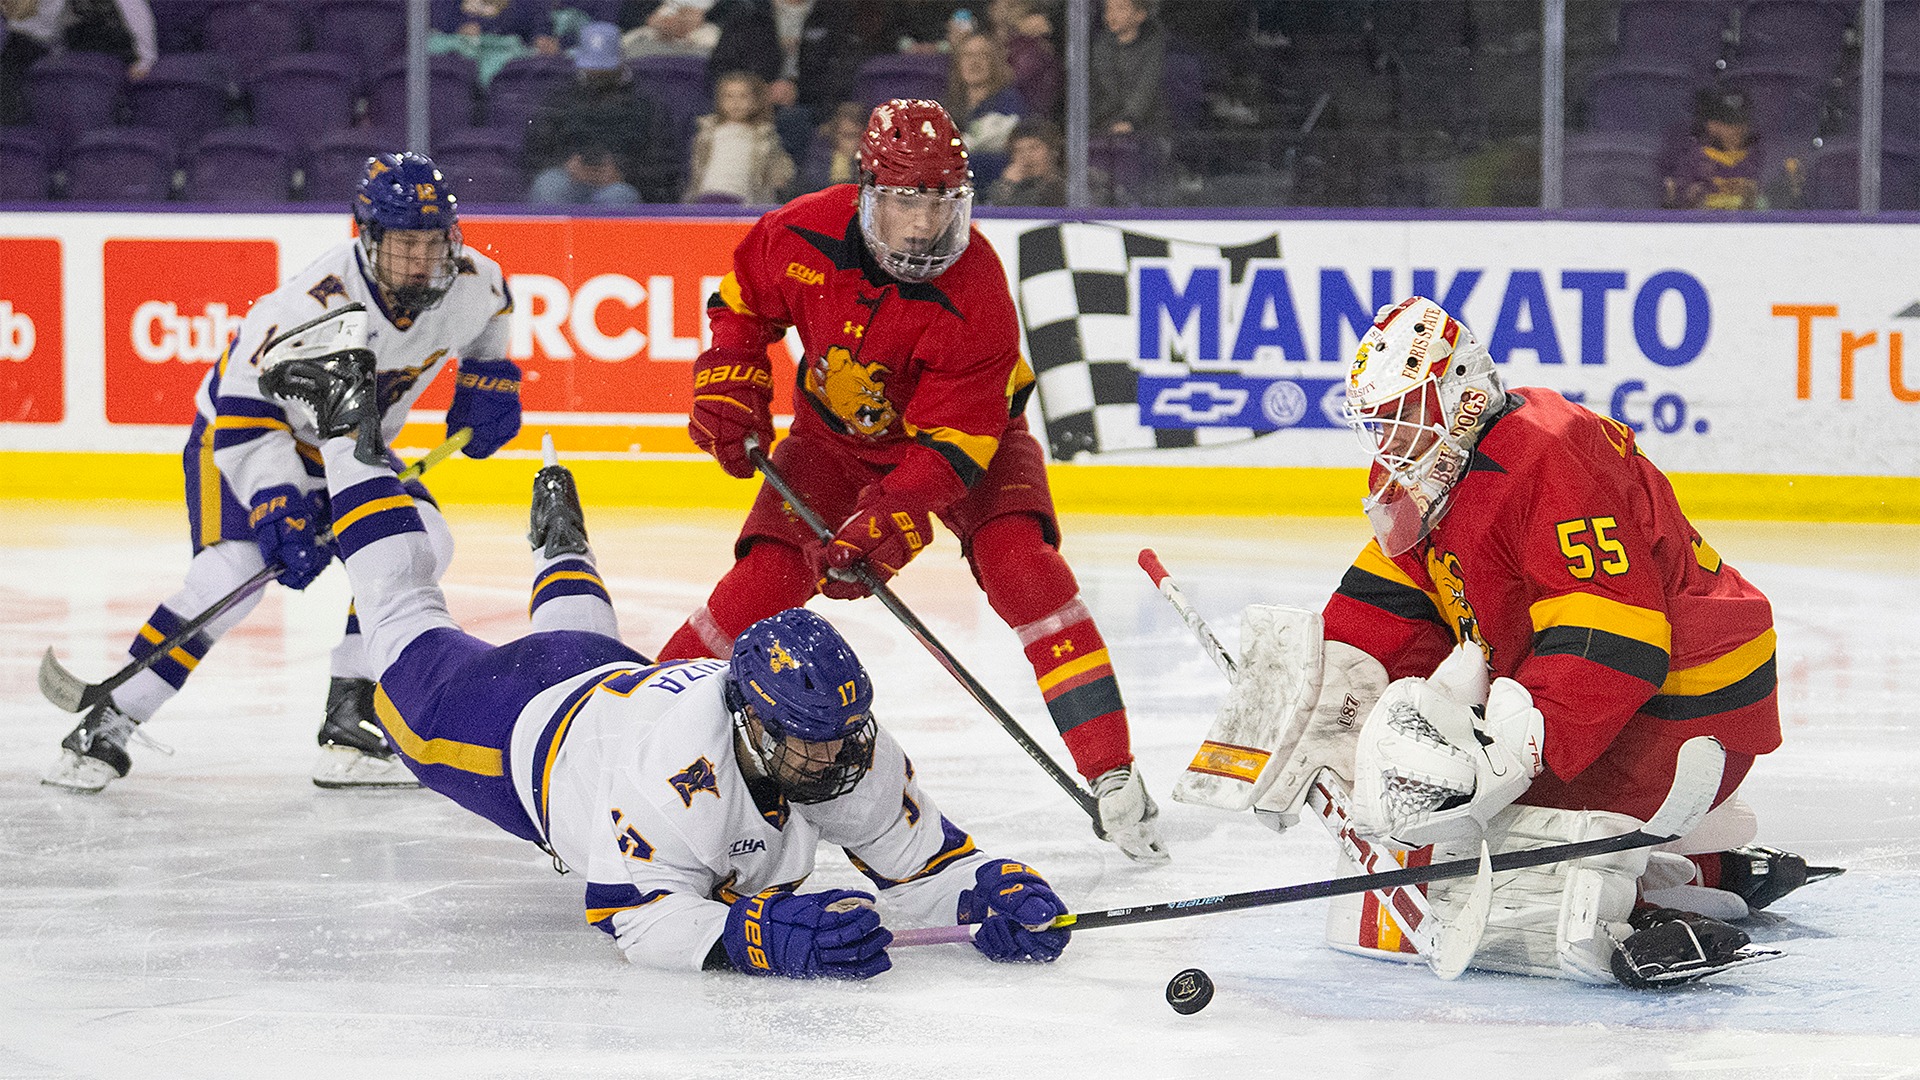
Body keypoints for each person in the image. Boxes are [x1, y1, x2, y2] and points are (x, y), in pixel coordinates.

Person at [244, 339, 1072, 975]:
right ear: (750, 724)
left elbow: (923, 860)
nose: (831, 757)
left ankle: (560, 549)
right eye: (809, 739)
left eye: (841, 735)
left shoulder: (839, 741)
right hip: (506, 724)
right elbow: (629, 913)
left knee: (560, 646)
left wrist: (984, 886)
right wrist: (752, 940)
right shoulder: (679, 765)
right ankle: (348, 431)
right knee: (401, 615)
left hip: (600, 672)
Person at [1244, 296, 1835, 988]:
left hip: (1689, 701)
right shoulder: (1432, 472)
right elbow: (1392, 603)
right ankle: (1708, 869)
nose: (1389, 443)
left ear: (1460, 396)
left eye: (1403, 417)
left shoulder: (1553, 450)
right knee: (1445, 826)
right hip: (1619, 700)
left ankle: (1643, 899)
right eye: (1378, 424)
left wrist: (1512, 754)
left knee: (1476, 835)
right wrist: (1307, 706)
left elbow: (1618, 640)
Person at [661, 97, 1169, 864]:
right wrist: (730, 382)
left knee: (1024, 570)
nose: (925, 225)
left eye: (940, 202)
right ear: (869, 190)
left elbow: (954, 450)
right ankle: (631, 720)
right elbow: (741, 309)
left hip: (973, 450)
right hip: (832, 446)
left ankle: (1113, 770)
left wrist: (888, 523)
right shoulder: (800, 229)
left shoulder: (979, 290)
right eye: (905, 199)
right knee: (758, 586)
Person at [42, 152, 523, 794]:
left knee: (421, 545)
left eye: (434, 242)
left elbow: (492, 316)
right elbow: (244, 413)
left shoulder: (473, 281)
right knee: (234, 575)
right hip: (254, 434)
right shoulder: (309, 305)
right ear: (370, 236)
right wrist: (278, 501)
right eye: (406, 243)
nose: (422, 260)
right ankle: (109, 720)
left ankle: (350, 723)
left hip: (351, 445)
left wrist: (487, 380)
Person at [524, 20, 679, 205]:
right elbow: (533, 152)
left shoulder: (647, 103)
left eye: (604, 69)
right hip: (568, 177)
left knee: (617, 198)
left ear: (621, 59)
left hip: (622, 185)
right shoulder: (560, 98)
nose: (597, 75)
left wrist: (623, 173)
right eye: (592, 69)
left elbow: (662, 165)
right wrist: (565, 164)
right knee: (549, 186)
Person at [0, 0, 155, 125]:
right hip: (74, 51)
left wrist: (145, 59)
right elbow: (47, 30)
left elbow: (138, 17)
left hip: (114, 51)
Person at [683, 69, 795, 204]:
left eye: (743, 96)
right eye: (729, 96)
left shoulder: (763, 134)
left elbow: (781, 164)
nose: (736, 102)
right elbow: (697, 165)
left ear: (755, 101)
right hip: (707, 195)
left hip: (746, 199)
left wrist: (779, 178)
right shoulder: (707, 131)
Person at [1662, 86, 1771, 211]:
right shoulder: (1692, 159)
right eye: (1728, 123)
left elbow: (1771, 205)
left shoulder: (1758, 158)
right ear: (1711, 125)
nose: (1737, 129)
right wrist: (1691, 197)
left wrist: (1753, 200)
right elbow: (1676, 206)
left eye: (1741, 122)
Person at [944, 29, 1025, 156]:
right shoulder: (948, 105)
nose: (974, 62)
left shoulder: (1009, 102)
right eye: (967, 55)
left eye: (983, 55)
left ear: (995, 62)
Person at [984, 117, 1065, 206]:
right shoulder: (1014, 187)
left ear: (1053, 151)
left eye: (1034, 148)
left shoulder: (1066, 188)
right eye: (1019, 150)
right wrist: (1006, 185)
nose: (1026, 155)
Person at [793, 99, 866, 194]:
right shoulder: (819, 155)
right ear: (835, 134)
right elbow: (812, 185)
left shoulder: (870, 161)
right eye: (847, 136)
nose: (854, 142)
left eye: (857, 136)